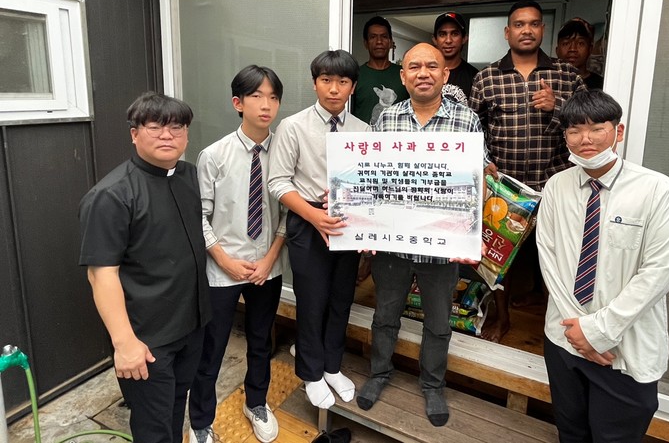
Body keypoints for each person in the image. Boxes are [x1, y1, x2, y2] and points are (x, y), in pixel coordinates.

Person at [537, 89, 669, 442]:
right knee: (570, 431)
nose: (585, 139)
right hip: (563, 338)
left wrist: (598, 331)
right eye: (574, 131)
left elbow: (661, 270)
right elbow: (549, 257)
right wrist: (579, 331)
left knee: (615, 437)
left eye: (596, 128)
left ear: (618, 131)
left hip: (622, 346)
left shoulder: (657, 190)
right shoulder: (557, 186)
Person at [356, 43, 483, 427]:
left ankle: (433, 384)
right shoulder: (386, 119)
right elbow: (371, 176)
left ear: (445, 75)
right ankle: (379, 373)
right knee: (385, 315)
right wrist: (365, 224)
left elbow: (477, 180)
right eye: (414, 67)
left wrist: (470, 234)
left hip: (442, 248)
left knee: (439, 322)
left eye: (431, 66)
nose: (423, 73)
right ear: (403, 75)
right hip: (393, 245)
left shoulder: (467, 120)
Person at [79, 92, 211, 443]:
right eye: (155, 127)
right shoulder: (112, 195)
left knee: (176, 409)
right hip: (147, 340)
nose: (167, 135)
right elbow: (101, 274)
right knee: (153, 427)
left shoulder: (188, 175)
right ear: (134, 134)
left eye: (177, 127)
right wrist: (124, 344)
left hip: (191, 325)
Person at [469, 0, 585, 342]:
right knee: (497, 258)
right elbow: (472, 129)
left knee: (557, 259)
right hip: (503, 186)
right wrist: (481, 162)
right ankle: (502, 318)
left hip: (554, 183)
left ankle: (556, 329)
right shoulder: (487, 77)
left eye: (534, 24)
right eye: (519, 24)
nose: (527, 30)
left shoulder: (566, 75)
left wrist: (557, 106)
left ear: (543, 29)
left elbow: (588, 125)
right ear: (507, 32)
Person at [188, 66, 287, 443]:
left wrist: (270, 259)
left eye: (273, 97)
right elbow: (200, 215)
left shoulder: (285, 152)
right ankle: (200, 422)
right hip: (222, 269)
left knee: (261, 341)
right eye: (257, 96)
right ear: (238, 102)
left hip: (267, 267)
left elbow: (287, 214)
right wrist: (224, 260)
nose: (266, 105)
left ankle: (256, 403)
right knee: (211, 349)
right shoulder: (214, 155)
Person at [268, 50, 370, 410]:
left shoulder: (363, 131)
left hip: (346, 223)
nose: (334, 88)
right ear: (315, 83)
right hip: (307, 219)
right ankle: (311, 373)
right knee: (312, 300)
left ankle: (332, 366)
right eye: (326, 80)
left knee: (341, 298)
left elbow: (368, 183)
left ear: (353, 87)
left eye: (343, 81)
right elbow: (278, 182)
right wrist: (314, 216)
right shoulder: (293, 126)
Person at [351, 16, 409, 125]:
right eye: (373, 37)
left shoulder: (404, 74)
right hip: (363, 135)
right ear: (366, 43)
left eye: (384, 37)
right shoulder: (355, 75)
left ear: (391, 42)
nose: (379, 41)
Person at [432, 11, 478, 104]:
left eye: (454, 34)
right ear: (435, 39)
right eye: (442, 34)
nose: (448, 40)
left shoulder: (475, 77)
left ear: (464, 38)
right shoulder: (424, 73)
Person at [556, 18, 604, 90]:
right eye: (566, 43)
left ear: (590, 49)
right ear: (557, 50)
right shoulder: (548, 79)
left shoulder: (601, 85)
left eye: (580, 43)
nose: (572, 49)